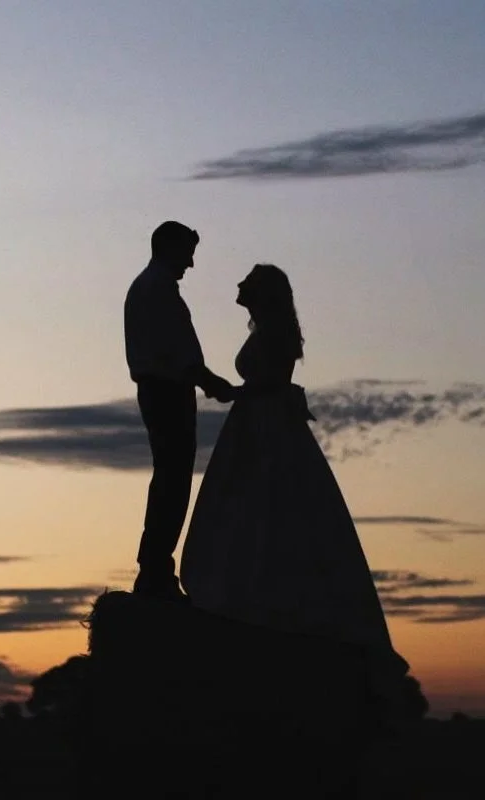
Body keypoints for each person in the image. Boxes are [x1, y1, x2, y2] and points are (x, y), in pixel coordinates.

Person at [181, 263, 409, 711]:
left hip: (267, 430)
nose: (239, 285)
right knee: (248, 514)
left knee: (270, 510)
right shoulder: (267, 330)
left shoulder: (276, 335)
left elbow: (269, 384)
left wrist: (234, 392)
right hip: (252, 424)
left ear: (263, 292)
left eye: (247, 280)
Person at [124, 221, 234, 602]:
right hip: (167, 392)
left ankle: (155, 566)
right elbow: (176, 352)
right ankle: (155, 568)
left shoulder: (150, 288)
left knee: (169, 478)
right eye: (187, 253)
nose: (190, 263)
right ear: (169, 248)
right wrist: (211, 383)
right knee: (173, 479)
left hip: (163, 390)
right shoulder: (156, 290)